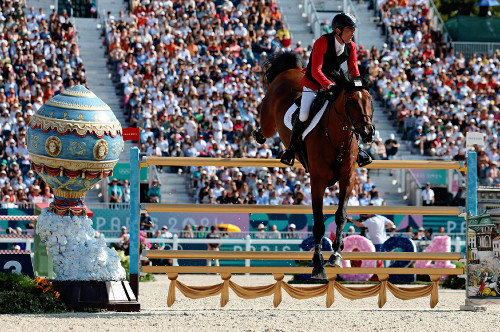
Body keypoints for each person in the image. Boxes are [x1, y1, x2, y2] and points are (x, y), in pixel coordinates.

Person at [280, 12, 372, 168]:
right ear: (338, 30)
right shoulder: (322, 42)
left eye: (353, 29)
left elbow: (354, 69)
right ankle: (291, 149)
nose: (353, 33)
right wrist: (329, 86)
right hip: (314, 82)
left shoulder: (352, 46)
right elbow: (316, 70)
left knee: (348, 109)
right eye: (350, 29)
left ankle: (360, 150)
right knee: (303, 114)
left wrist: (358, 86)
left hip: (335, 79)